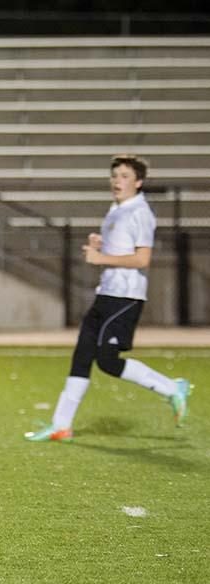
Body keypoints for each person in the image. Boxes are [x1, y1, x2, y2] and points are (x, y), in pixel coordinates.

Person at [25, 155, 192, 442]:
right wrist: (98, 246)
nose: (117, 181)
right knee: (82, 357)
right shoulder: (116, 209)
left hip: (125, 297)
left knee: (108, 362)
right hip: (107, 293)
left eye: (125, 176)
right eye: (114, 175)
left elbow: (142, 259)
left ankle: (171, 389)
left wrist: (100, 257)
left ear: (138, 182)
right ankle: (60, 425)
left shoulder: (140, 212)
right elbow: (121, 250)